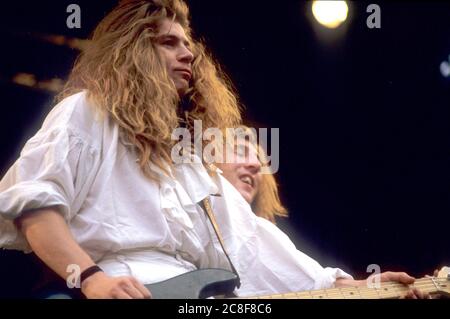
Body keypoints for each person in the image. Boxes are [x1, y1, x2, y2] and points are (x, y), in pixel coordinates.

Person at [0, 0, 427, 299]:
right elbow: (34, 205)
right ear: (133, 53)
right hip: (122, 284)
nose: (188, 53)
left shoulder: (188, 159)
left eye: (188, 44)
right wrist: (90, 278)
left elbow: (251, 244)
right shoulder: (87, 113)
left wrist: (349, 287)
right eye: (169, 42)